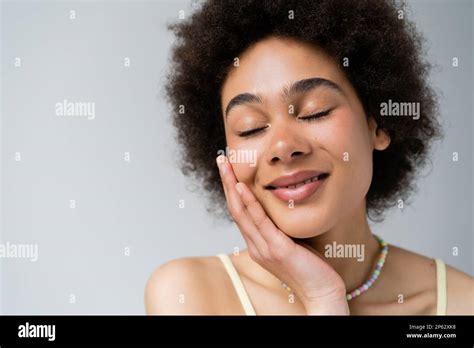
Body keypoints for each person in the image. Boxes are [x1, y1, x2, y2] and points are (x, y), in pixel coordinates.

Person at [145, 0, 473, 315]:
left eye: (315, 112)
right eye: (251, 128)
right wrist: (322, 299)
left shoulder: (461, 305)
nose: (283, 146)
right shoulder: (188, 294)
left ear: (378, 124)